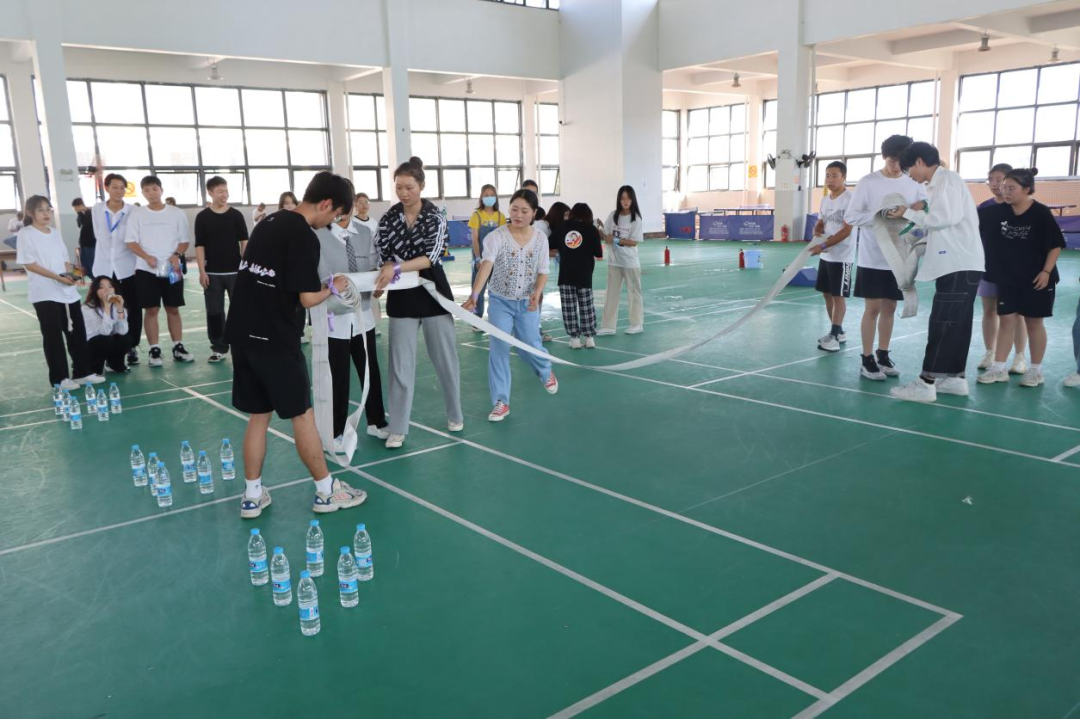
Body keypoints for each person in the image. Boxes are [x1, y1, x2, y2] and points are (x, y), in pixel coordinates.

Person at [224, 171, 367, 519]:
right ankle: (326, 492)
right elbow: (306, 298)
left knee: (259, 415)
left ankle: (252, 496)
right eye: (335, 215)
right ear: (326, 204)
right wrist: (333, 287)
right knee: (302, 415)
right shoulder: (304, 235)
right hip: (275, 339)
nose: (331, 222)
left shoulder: (268, 222)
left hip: (242, 333)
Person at [373, 157, 463, 450]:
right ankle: (398, 428)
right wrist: (383, 275)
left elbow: (431, 257)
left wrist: (396, 267)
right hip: (402, 297)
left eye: (409, 187)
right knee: (400, 365)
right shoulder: (388, 219)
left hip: (433, 293)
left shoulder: (435, 217)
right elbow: (383, 253)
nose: (403, 193)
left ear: (421, 186)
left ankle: (455, 414)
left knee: (445, 360)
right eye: (398, 187)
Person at [887, 142, 986, 403]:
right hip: (959, 263)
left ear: (920, 161)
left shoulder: (947, 180)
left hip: (957, 264)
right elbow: (942, 221)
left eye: (908, 169)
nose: (909, 175)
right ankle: (954, 378)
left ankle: (926, 382)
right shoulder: (940, 184)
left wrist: (910, 213)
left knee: (943, 323)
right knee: (958, 324)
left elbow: (943, 218)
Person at [463, 189, 558, 422]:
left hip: (526, 302)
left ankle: (545, 370)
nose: (518, 215)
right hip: (500, 302)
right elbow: (486, 266)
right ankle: (501, 401)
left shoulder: (541, 239)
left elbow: (543, 271)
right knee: (499, 347)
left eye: (524, 211)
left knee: (529, 344)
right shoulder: (496, 237)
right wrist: (474, 295)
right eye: (514, 209)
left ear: (533, 213)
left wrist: (537, 293)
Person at [844, 135, 929, 381]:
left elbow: (925, 206)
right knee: (872, 308)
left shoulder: (913, 182)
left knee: (890, 307)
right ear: (884, 157)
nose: (897, 167)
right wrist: (881, 216)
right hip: (872, 257)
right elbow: (851, 217)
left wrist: (913, 211)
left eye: (902, 163)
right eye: (893, 161)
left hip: (900, 256)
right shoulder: (868, 182)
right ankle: (866, 358)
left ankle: (882, 354)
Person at [976, 168, 1065, 389]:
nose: (1005, 192)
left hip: (1037, 278)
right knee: (1007, 320)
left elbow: (1055, 245)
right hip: (1008, 278)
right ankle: (998, 368)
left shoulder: (1041, 213)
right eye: (1004, 187)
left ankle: (1036, 371)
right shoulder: (995, 213)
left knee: (1034, 323)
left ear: (1026, 189)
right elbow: (967, 222)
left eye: (1011, 188)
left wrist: (1046, 272)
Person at [315, 212, 389, 446]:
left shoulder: (365, 232)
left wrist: (377, 287)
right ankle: (335, 432)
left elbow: (373, 267)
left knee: (370, 371)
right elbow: (315, 276)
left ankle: (376, 422)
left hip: (363, 315)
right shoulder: (317, 234)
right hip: (333, 317)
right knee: (338, 377)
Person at [17, 196, 99, 389]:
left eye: (48, 209)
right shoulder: (26, 234)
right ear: (30, 213)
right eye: (40, 210)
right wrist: (58, 278)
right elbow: (30, 264)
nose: (46, 213)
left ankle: (82, 372)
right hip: (45, 293)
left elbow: (64, 261)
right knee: (53, 336)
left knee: (77, 332)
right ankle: (59, 378)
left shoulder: (54, 233)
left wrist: (74, 275)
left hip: (67, 292)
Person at [125, 175, 194, 367]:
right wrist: (146, 257)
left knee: (173, 308)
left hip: (173, 268)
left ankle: (178, 346)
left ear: (161, 190)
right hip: (146, 269)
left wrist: (176, 255)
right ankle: (154, 350)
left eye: (154, 189)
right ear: (143, 193)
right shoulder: (137, 214)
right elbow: (130, 241)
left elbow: (184, 240)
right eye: (147, 190)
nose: (151, 193)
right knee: (151, 309)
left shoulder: (176, 213)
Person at [975, 163, 1028, 374]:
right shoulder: (983, 208)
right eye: (991, 179)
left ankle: (1019, 356)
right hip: (988, 267)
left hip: (1015, 271)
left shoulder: (1019, 207)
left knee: (1017, 314)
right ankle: (990, 352)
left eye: (1000, 179)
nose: (995, 184)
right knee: (989, 311)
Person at [195, 176, 248, 363]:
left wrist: (244, 267)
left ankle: (242, 344)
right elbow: (199, 246)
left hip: (235, 273)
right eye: (220, 192)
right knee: (214, 313)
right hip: (212, 274)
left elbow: (244, 242)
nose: (224, 195)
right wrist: (202, 271)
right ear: (210, 193)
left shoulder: (236, 215)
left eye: (225, 191)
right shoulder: (202, 217)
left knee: (240, 310)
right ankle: (219, 347)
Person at [92, 173, 142, 366]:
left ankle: (131, 346)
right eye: (115, 187)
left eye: (122, 187)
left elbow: (137, 237)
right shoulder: (97, 210)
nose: (119, 191)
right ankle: (107, 347)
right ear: (106, 188)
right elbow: (96, 235)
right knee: (103, 308)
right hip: (103, 267)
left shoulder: (133, 211)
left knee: (131, 308)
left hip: (126, 267)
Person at [809, 161, 855, 353]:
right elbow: (822, 222)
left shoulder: (850, 199)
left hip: (842, 257)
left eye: (835, 175)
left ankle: (834, 336)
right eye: (827, 175)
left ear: (844, 177)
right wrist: (817, 228)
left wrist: (823, 245)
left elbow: (846, 230)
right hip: (826, 256)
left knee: (838, 296)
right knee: (827, 294)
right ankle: (839, 331)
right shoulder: (825, 200)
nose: (830, 179)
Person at [551, 202, 604, 349]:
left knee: (569, 307)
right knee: (586, 306)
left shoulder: (562, 227)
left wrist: (563, 249)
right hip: (584, 274)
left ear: (572, 213)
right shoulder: (591, 229)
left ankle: (574, 339)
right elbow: (598, 253)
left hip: (566, 274)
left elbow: (549, 243)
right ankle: (589, 338)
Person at [598, 185, 645, 335]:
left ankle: (637, 324)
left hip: (630, 262)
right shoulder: (613, 215)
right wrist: (600, 231)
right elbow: (606, 234)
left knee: (634, 293)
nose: (625, 201)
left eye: (628, 198)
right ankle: (608, 326)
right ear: (619, 200)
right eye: (623, 198)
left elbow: (634, 242)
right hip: (614, 261)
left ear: (633, 200)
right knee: (611, 293)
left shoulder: (636, 219)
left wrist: (616, 240)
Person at [467, 184, 506, 326]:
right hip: (481, 259)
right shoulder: (476, 215)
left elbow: (503, 239)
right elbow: (475, 239)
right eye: (486, 195)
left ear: (496, 197)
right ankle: (477, 320)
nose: (489, 197)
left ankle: (497, 319)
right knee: (478, 288)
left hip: (496, 259)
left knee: (496, 290)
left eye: (491, 195)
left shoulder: (501, 216)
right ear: (481, 197)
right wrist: (478, 258)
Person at [81, 275, 129, 374]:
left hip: (106, 341)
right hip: (90, 345)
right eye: (101, 287)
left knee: (125, 339)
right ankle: (93, 369)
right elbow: (104, 332)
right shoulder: (87, 308)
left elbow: (123, 331)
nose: (107, 290)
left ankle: (114, 365)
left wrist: (120, 309)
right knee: (104, 340)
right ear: (95, 291)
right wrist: (107, 306)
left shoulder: (117, 306)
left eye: (110, 286)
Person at [72, 198, 96, 279]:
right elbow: (79, 225)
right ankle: (88, 279)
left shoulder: (90, 212)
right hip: (83, 243)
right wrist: (79, 214)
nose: (75, 209)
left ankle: (93, 280)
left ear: (80, 205)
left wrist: (80, 213)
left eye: (76, 207)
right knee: (84, 263)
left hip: (91, 243)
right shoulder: (82, 213)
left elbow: (86, 224)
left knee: (91, 263)